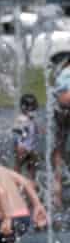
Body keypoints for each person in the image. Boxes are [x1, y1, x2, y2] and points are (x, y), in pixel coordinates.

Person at [52, 68, 70, 210]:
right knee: (60, 147)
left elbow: (57, 94)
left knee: (60, 146)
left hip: (61, 109)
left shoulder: (63, 72)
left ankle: (56, 193)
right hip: (64, 107)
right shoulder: (65, 72)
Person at [12, 93, 42, 181]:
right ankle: (15, 182)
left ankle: (31, 182)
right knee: (18, 164)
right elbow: (16, 131)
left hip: (30, 148)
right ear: (25, 108)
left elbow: (33, 127)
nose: (34, 111)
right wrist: (19, 144)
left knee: (32, 165)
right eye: (32, 108)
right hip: (22, 147)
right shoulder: (21, 119)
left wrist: (38, 129)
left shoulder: (30, 117)